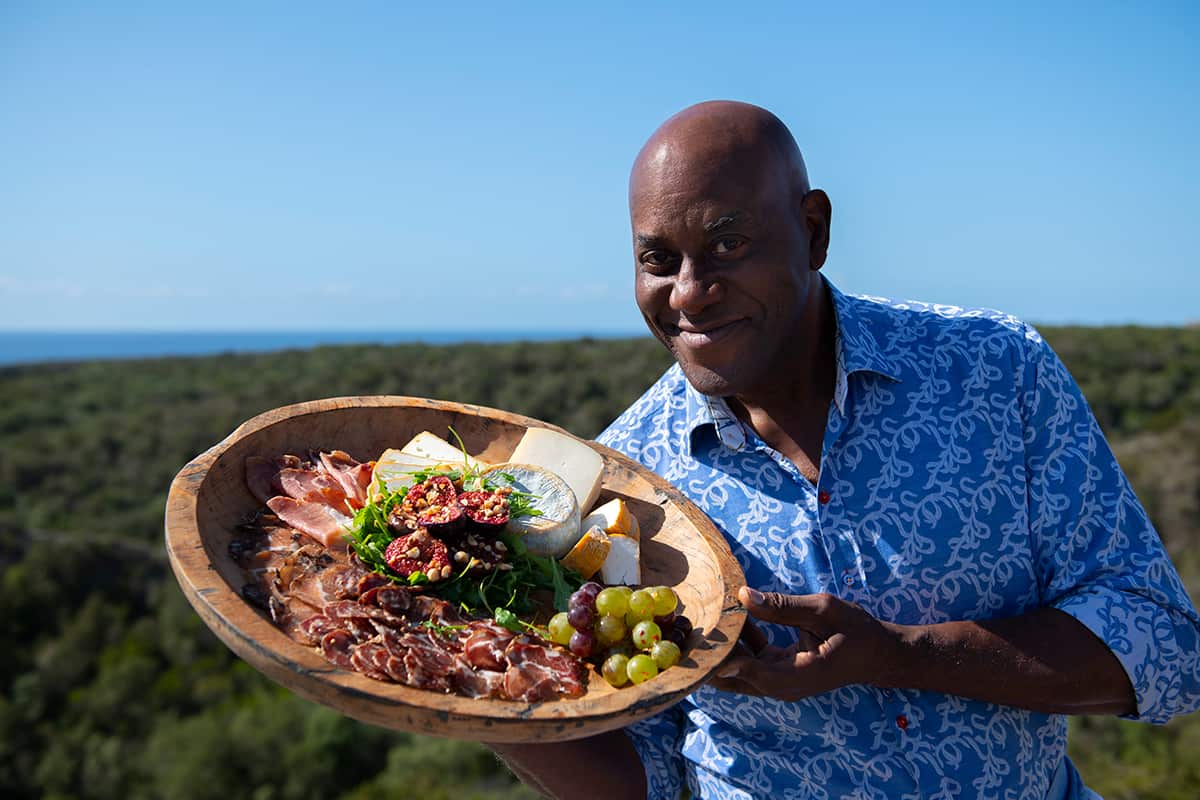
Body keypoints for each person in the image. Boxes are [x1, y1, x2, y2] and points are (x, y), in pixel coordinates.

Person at [491, 100, 1200, 799]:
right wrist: (472, 697)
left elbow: (1164, 649)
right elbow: (649, 780)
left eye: (728, 245)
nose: (689, 293)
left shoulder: (995, 371)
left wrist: (897, 655)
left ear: (813, 230)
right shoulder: (628, 481)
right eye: (657, 259)